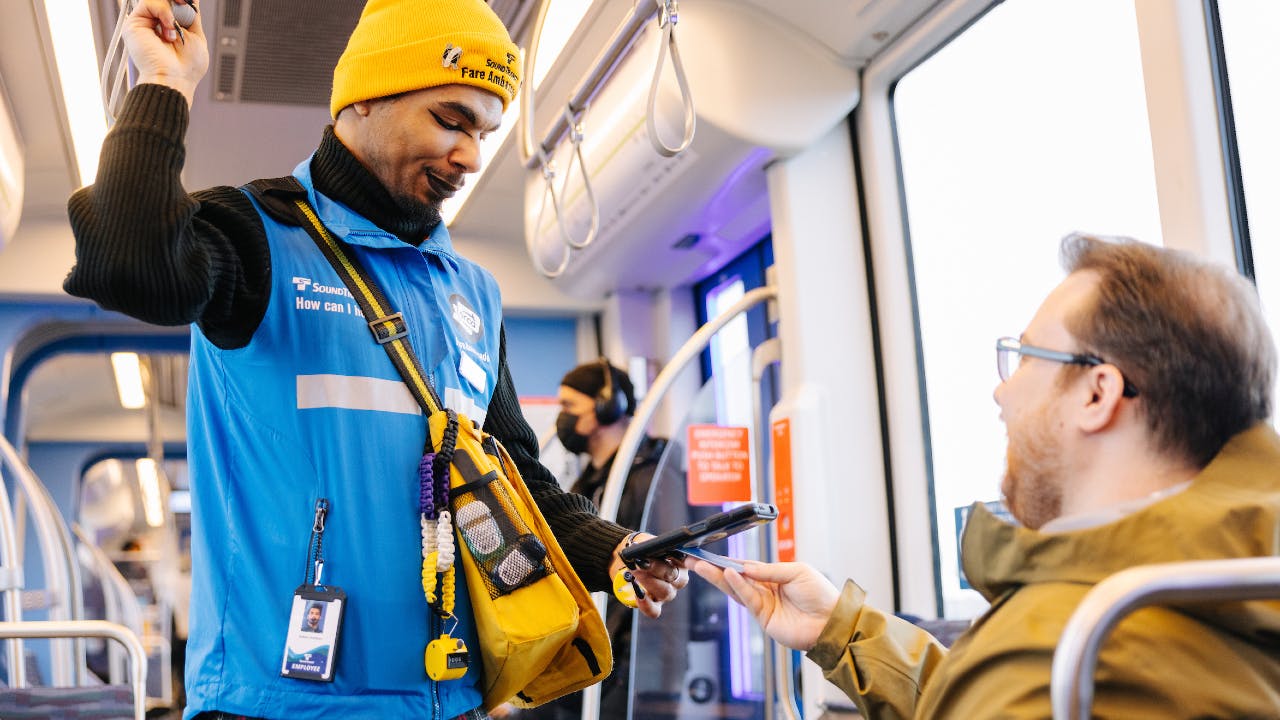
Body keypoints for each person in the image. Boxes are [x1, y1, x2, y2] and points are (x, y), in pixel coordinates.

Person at [63, 2, 687, 718]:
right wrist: (163, 85)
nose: (470, 156)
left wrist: (616, 550)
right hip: (276, 703)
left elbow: (515, 480)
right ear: (364, 98)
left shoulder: (473, 295)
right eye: (451, 120)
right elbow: (129, 264)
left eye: (483, 133)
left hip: (449, 699)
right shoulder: (258, 237)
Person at [692, 234, 1280, 718]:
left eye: (1024, 357)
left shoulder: (1083, 647)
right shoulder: (1214, 587)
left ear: (1097, 393)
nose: (1002, 392)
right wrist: (844, 631)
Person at [509, 360, 672, 719]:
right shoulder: (588, 483)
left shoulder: (652, 478)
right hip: (595, 651)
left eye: (570, 406)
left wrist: (646, 672)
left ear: (607, 406)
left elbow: (663, 579)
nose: (562, 418)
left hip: (633, 665)